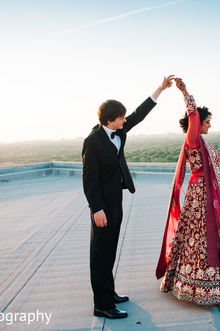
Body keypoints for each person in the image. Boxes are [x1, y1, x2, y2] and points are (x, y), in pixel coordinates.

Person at [156, 78, 220, 305]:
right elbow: (193, 117)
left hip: (207, 196)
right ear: (198, 123)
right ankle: (196, 283)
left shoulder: (201, 141)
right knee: (200, 236)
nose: (210, 125)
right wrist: (185, 93)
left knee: (211, 235)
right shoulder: (192, 140)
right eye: (208, 122)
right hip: (200, 197)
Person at [83, 75, 174, 319]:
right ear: (109, 120)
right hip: (102, 205)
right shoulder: (92, 142)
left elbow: (138, 114)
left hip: (116, 199)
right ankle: (101, 305)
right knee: (100, 253)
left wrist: (160, 90)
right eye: (121, 117)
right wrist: (96, 209)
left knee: (110, 249)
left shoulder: (119, 130)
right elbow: (89, 180)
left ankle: (108, 292)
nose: (125, 120)